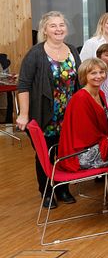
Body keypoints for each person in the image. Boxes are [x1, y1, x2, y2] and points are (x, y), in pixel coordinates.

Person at [17, 11, 82, 209]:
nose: (58, 29)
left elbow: (79, 81)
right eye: (53, 26)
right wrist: (24, 114)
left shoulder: (71, 49)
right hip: (44, 114)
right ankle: (46, 191)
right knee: (45, 155)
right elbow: (24, 85)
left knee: (66, 152)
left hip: (68, 115)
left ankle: (62, 188)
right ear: (45, 30)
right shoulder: (36, 53)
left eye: (61, 25)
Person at [58, 58, 108, 172]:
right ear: (84, 76)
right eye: (93, 73)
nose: (99, 76)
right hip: (81, 154)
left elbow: (104, 116)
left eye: (102, 72)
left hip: (94, 146)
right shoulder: (81, 98)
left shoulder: (100, 93)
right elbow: (85, 134)